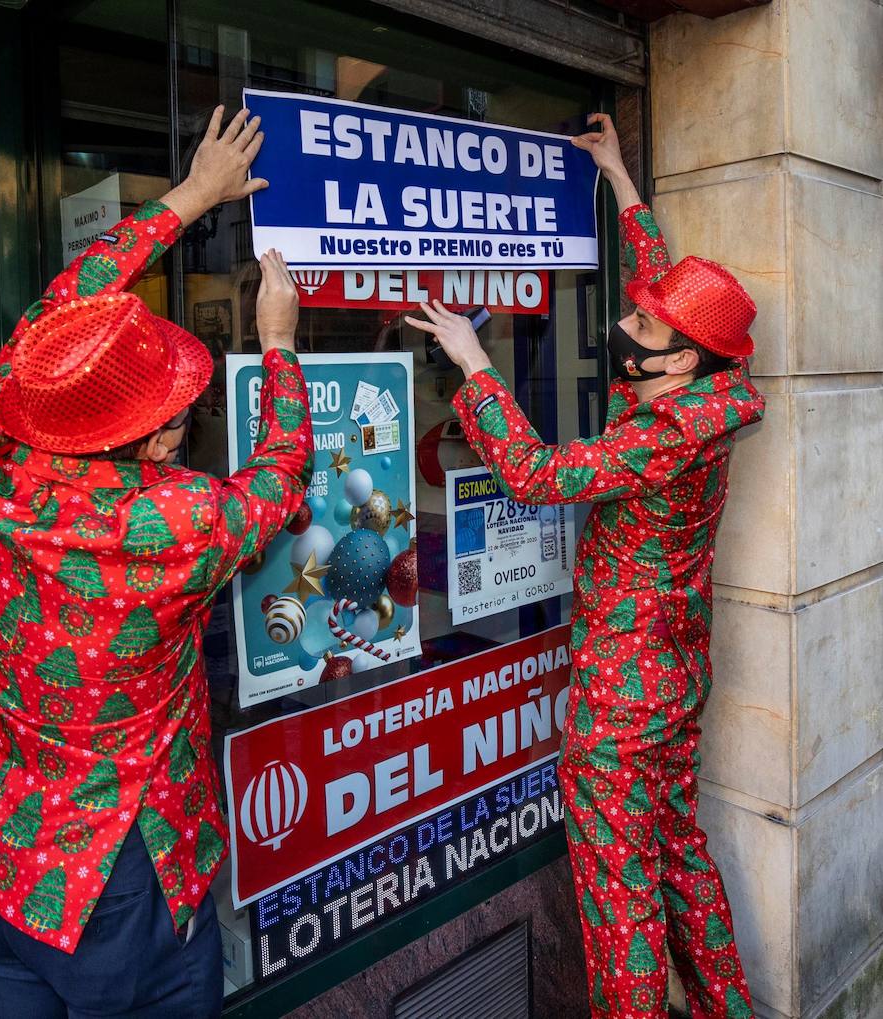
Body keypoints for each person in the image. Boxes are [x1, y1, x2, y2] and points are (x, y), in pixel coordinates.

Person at [0, 106, 314, 1018]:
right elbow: (281, 479)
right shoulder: (173, 521)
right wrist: (279, 343)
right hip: (112, 881)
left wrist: (188, 196)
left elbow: (60, 311)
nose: (191, 426)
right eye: (181, 415)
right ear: (149, 445)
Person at [407, 113, 764, 1019]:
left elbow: (534, 474)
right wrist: (620, 180)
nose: (621, 320)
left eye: (640, 322)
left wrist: (473, 362)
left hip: (625, 691)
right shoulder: (706, 396)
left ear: (677, 360)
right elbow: (663, 289)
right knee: (679, 850)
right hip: (678, 670)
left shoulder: (664, 435)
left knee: (621, 894)